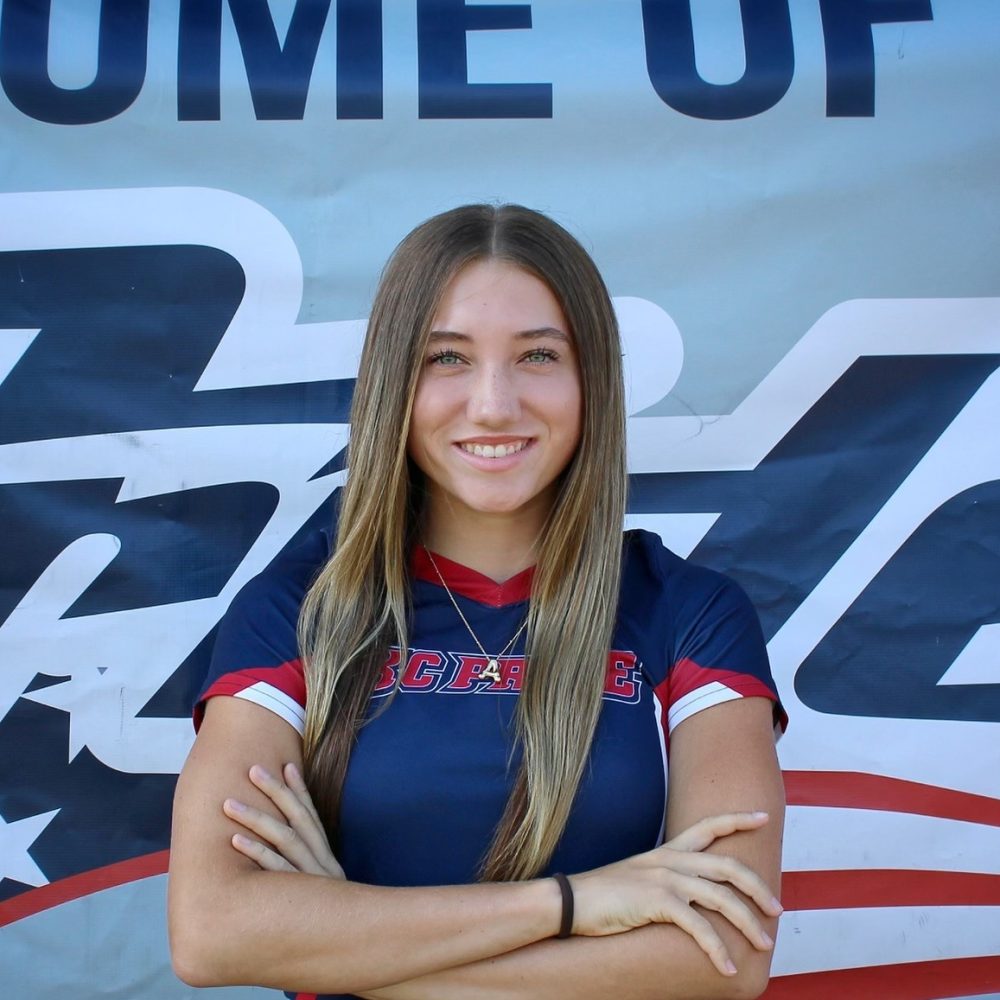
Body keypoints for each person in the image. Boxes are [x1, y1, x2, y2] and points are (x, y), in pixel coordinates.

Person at [168, 203, 787, 1000]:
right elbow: (213, 933)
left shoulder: (692, 616)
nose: (494, 404)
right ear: (394, 380)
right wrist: (571, 904)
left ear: (592, 379)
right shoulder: (297, 612)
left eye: (538, 355)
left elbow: (722, 956)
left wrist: (343, 943)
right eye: (448, 358)